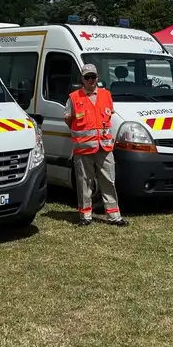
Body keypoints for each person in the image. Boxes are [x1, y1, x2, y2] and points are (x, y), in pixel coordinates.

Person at [64, 63, 128, 227]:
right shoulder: (74, 97)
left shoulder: (106, 95)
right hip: (84, 148)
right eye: (87, 77)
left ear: (97, 78)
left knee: (109, 181)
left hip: (105, 148)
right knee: (84, 183)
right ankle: (86, 216)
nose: (90, 80)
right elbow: (69, 120)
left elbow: (108, 118)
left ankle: (114, 216)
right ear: (82, 79)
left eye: (93, 77)